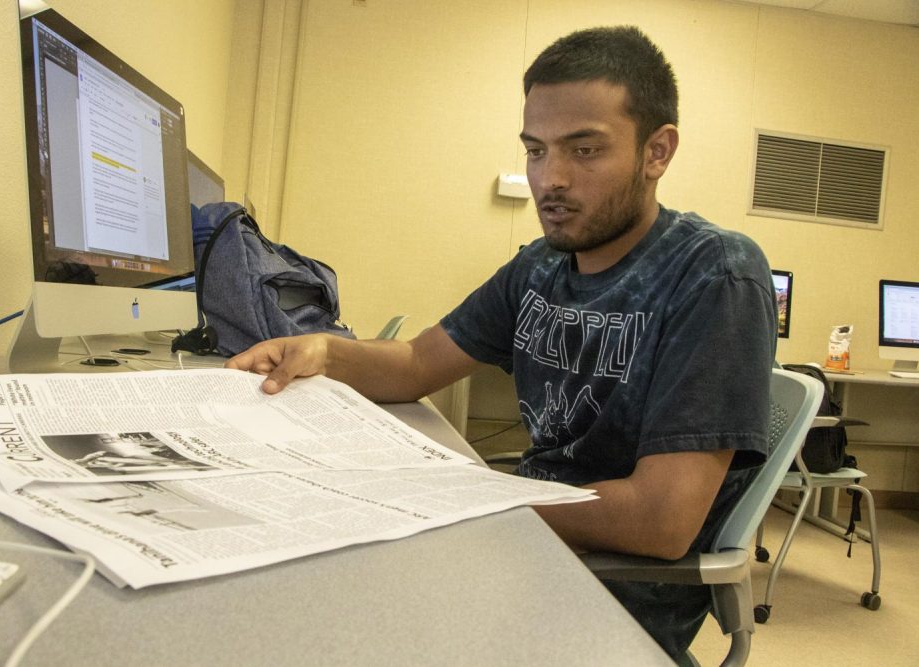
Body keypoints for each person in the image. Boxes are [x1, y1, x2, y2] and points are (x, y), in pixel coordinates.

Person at [226, 25, 776, 660]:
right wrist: (323, 351)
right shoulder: (539, 266)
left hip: (604, 598)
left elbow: (660, 520)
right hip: (523, 542)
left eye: (585, 151)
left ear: (658, 151)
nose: (551, 180)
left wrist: (467, 501)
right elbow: (415, 364)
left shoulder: (714, 274)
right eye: (536, 151)